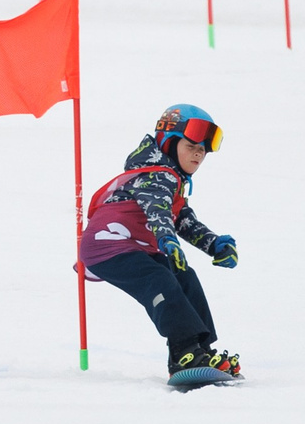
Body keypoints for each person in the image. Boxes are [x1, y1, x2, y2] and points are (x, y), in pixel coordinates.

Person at [79, 104, 244, 386]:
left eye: (203, 150)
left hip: (135, 246)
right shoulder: (156, 175)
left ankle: (199, 349)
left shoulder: (172, 180)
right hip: (108, 246)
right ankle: (184, 351)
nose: (198, 154)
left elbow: (182, 219)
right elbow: (157, 209)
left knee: (184, 277)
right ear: (168, 142)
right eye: (191, 145)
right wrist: (167, 239)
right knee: (159, 279)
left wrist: (214, 244)